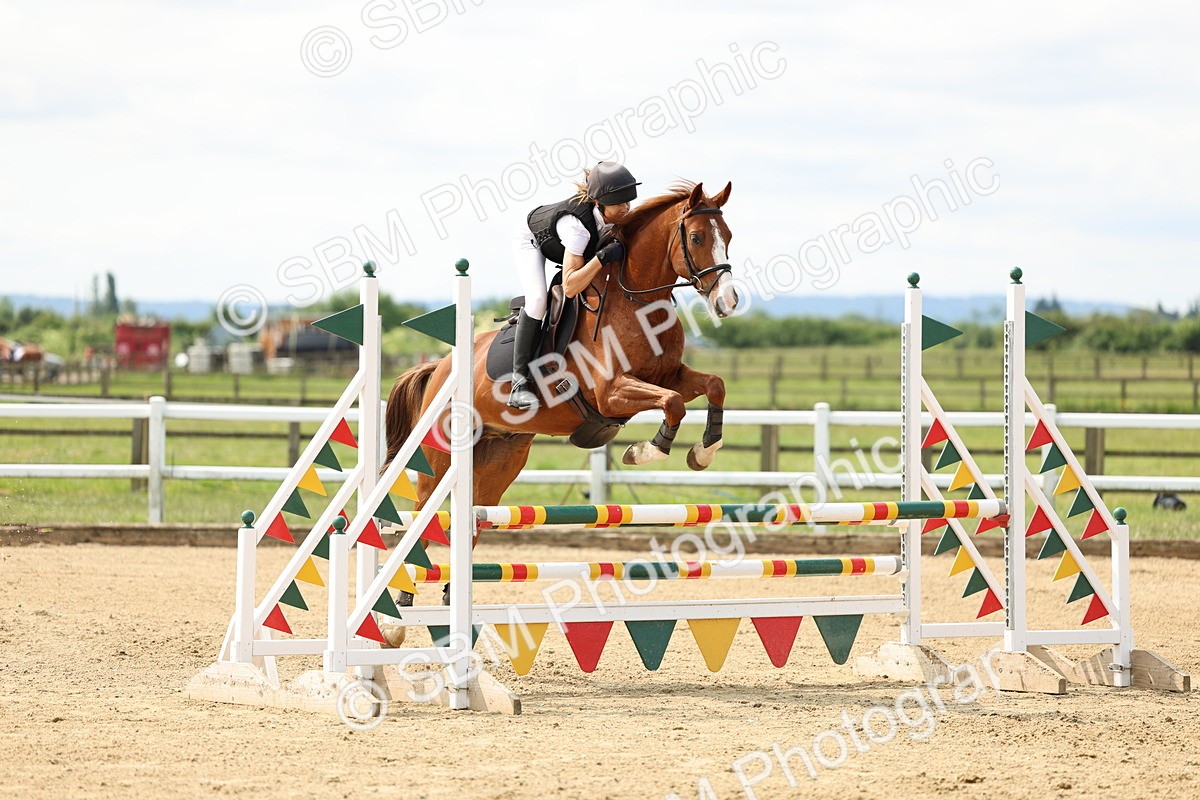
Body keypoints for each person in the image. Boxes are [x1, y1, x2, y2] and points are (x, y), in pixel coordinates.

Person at [507, 161, 640, 410]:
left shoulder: (616, 216)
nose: (626, 208)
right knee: (538, 300)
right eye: (619, 203)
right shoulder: (577, 228)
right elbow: (569, 286)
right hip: (533, 241)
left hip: (570, 247)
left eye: (628, 201)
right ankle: (518, 383)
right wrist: (600, 259)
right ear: (599, 203)